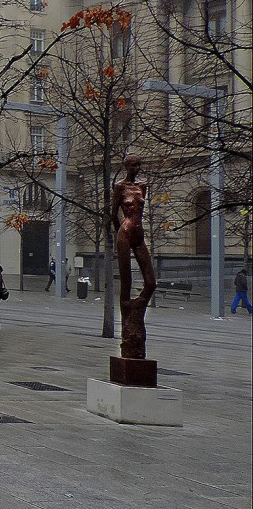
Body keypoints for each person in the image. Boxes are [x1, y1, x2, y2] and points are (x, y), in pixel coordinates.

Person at [111, 154, 156, 359]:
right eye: (134, 165)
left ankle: (136, 309)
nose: (137, 168)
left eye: (139, 164)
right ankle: (128, 326)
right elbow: (113, 213)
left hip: (139, 236)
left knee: (151, 282)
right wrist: (119, 232)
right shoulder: (120, 188)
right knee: (126, 285)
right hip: (125, 233)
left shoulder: (142, 187)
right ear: (126, 166)